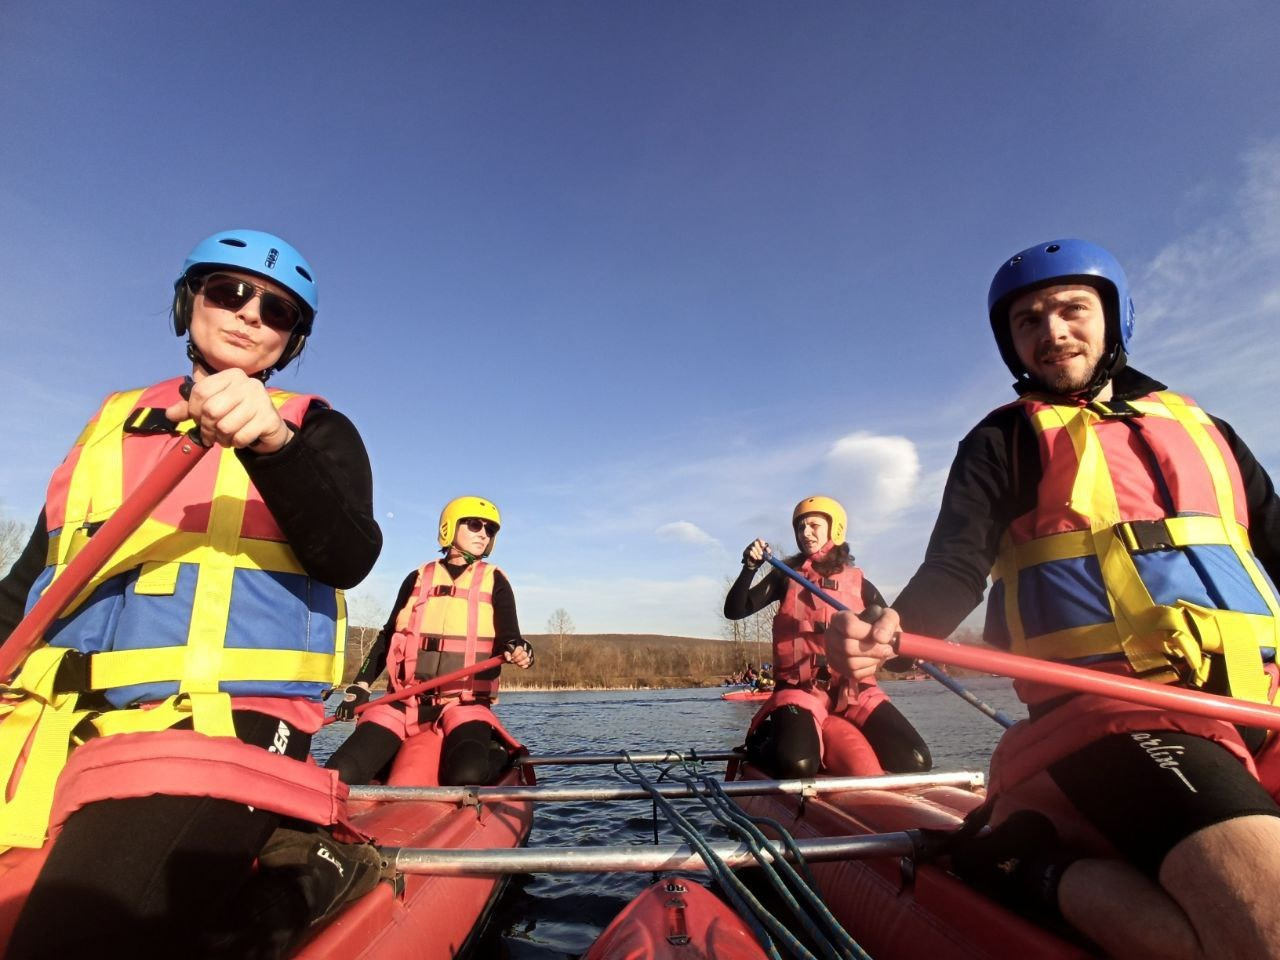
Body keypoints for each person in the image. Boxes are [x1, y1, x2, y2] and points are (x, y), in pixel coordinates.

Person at [825, 238, 1280, 959]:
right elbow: (955, 565)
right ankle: (1027, 863)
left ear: (1114, 319)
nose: (1052, 331)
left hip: (1261, 705)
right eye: (1028, 321)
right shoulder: (1002, 440)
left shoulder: (1210, 432)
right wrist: (890, 631)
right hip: (1112, 711)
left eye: (1072, 310)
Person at [0, 229, 383, 958]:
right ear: (189, 302)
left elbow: (348, 555)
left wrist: (273, 445)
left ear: (291, 340)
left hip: (228, 718)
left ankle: (313, 869)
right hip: (62, 716)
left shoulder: (315, 430)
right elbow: (28, 585)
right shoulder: (107, 426)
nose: (250, 314)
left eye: (276, 310)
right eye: (230, 291)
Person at [325, 496, 533, 786]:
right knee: (342, 772)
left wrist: (520, 650)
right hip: (405, 700)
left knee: (466, 775)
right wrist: (360, 685)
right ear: (450, 527)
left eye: (490, 529)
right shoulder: (418, 578)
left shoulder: (495, 580)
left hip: (464, 704)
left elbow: (510, 638)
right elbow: (389, 635)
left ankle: (497, 752)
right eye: (475, 525)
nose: (484, 534)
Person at [725, 495, 930, 778]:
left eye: (813, 525)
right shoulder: (786, 577)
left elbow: (895, 657)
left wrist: (905, 653)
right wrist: (750, 567)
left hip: (854, 692)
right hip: (800, 690)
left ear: (835, 529)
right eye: (800, 527)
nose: (805, 533)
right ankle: (764, 740)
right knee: (798, 765)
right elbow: (736, 610)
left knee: (916, 760)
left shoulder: (860, 584)